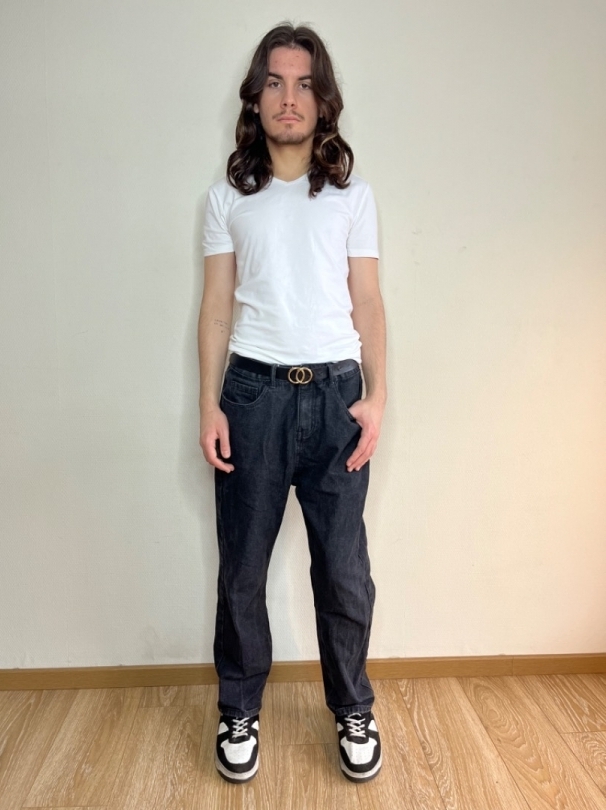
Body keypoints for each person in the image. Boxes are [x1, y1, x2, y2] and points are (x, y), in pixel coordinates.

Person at [198, 22, 386, 785]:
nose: (289, 97)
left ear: (323, 99)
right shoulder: (226, 200)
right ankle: (239, 708)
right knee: (243, 567)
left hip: (337, 397)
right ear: (256, 97)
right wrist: (209, 405)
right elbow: (216, 308)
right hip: (252, 396)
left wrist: (378, 396)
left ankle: (353, 708)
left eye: (304, 84)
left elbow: (367, 300)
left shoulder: (352, 197)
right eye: (275, 82)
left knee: (343, 569)